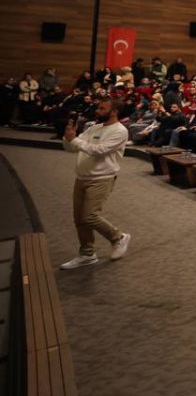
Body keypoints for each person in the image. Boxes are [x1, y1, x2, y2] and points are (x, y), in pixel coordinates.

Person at [60, 98, 133, 269]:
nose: (97, 111)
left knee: (90, 216)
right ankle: (87, 254)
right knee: (79, 219)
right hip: (82, 178)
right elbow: (71, 148)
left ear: (113, 112)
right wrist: (68, 136)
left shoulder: (120, 131)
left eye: (102, 108)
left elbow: (99, 151)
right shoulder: (94, 127)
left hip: (101, 178)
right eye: (98, 108)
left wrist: (75, 140)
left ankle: (118, 237)